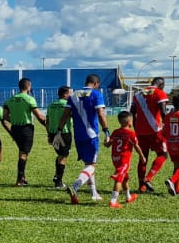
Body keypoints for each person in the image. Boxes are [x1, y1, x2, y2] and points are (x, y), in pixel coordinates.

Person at [65, 73, 110, 204]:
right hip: (91, 135)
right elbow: (101, 113)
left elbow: (66, 114)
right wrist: (106, 130)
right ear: (96, 84)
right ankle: (75, 187)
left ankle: (94, 193)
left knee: (88, 164)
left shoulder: (73, 95)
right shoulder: (96, 94)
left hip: (78, 135)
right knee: (92, 165)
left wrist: (59, 130)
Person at [3, 79, 48, 187]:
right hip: (26, 128)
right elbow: (39, 116)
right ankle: (19, 180)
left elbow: (4, 116)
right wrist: (48, 126)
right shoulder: (29, 99)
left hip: (15, 128)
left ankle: (23, 177)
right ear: (28, 86)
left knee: (22, 151)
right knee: (23, 153)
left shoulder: (10, 100)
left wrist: (14, 120)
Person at [131, 77, 170, 192]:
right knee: (163, 154)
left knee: (143, 158)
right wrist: (167, 127)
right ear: (162, 85)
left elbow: (132, 112)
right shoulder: (160, 93)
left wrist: (135, 127)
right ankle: (148, 178)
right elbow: (163, 112)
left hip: (140, 131)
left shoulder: (137, 94)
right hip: (155, 130)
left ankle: (141, 186)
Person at [108, 111, 139, 208]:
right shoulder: (131, 133)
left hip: (115, 159)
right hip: (124, 160)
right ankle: (113, 202)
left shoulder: (115, 132)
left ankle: (128, 197)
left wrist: (106, 141)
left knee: (125, 178)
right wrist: (142, 156)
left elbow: (108, 144)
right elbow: (136, 146)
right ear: (130, 122)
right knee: (119, 179)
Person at [46, 85, 74, 189]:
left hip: (53, 133)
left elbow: (47, 120)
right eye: (71, 93)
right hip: (64, 133)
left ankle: (57, 176)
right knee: (63, 156)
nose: (72, 95)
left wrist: (49, 134)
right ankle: (59, 182)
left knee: (60, 155)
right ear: (65, 94)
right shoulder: (68, 104)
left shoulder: (51, 105)